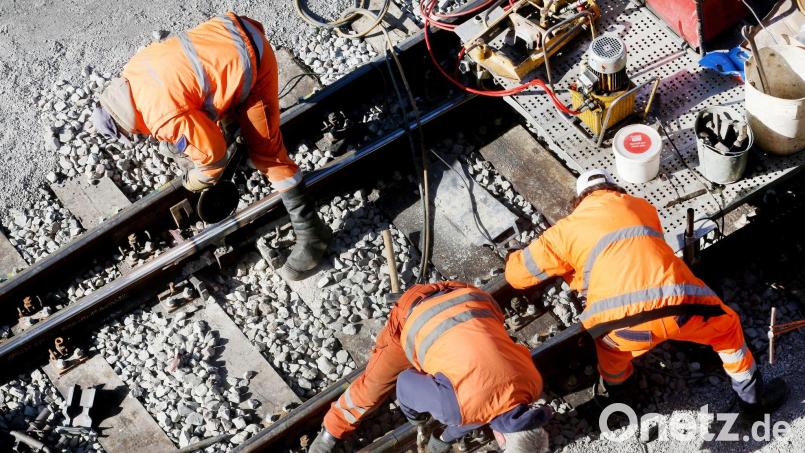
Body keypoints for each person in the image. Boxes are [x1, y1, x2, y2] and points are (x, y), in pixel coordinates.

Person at [504, 168, 788, 423]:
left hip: (620, 326)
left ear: (578, 202)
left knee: (612, 356)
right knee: (727, 330)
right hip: (680, 306)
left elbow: (517, 276)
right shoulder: (641, 206)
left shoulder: (566, 230)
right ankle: (753, 401)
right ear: (616, 190)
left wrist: (526, 256)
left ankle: (621, 398)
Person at [90, 12, 330, 280]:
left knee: (268, 156)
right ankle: (236, 126)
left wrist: (195, 181)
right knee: (203, 107)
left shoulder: (161, 117)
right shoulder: (133, 70)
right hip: (231, 31)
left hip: (254, 62)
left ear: (125, 124)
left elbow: (212, 157)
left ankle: (312, 233)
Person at [309, 281, 552, 453]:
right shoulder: (456, 410)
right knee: (373, 385)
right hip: (415, 311)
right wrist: (418, 419)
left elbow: (491, 401)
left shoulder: (533, 383)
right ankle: (332, 429)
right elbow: (405, 383)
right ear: (500, 439)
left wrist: (449, 435)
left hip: (470, 297)